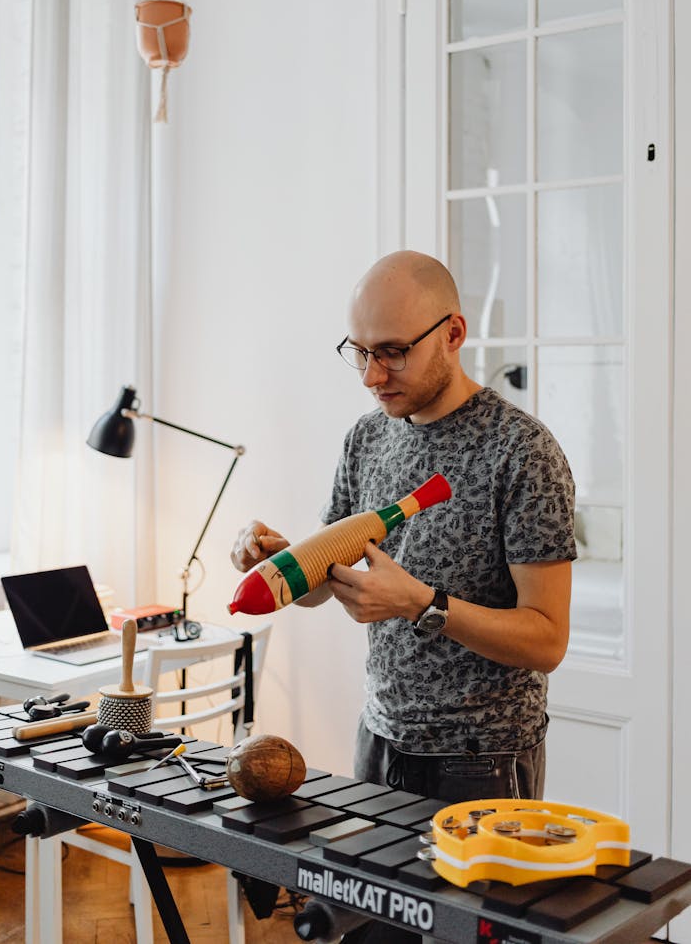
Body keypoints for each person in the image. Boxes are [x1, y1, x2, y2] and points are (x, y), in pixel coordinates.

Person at [231, 249, 575, 807]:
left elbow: (547, 640)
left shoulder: (522, 451)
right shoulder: (366, 439)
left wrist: (420, 603)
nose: (371, 375)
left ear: (453, 333)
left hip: (483, 759)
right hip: (380, 739)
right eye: (360, 352)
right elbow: (326, 585)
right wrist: (281, 565)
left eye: (392, 352)